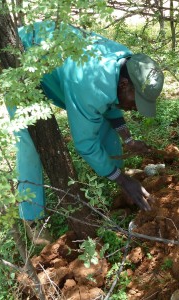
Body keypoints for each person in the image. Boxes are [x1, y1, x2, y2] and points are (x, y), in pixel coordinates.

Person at [12, 21, 164, 244]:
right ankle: (32, 219)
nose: (136, 109)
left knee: (103, 123)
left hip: (58, 57)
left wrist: (127, 138)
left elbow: (111, 104)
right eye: (137, 102)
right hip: (21, 59)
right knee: (30, 142)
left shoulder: (128, 63)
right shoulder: (90, 84)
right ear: (124, 85)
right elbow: (85, 144)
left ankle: (116, 187)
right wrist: (125, 180)